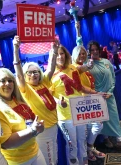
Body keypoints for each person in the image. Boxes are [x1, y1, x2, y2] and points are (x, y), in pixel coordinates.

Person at [12, 35, 59, 165]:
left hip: (54, 125)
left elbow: (51, 67)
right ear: (25, 75)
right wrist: (16, 49)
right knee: (48, 159)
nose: (33, 74)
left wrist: (54, 50)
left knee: (54, 157)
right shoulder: (25, 88)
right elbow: (19, 73)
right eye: (30, 72)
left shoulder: (43, 82)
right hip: (43, 130)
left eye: (36, 72)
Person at [50, 43, 98, 165]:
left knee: (82, 141)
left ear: (66, 55)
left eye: (62, 53)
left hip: (79, 111)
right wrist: (58, 102)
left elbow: (81, 81)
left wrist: (89, 66)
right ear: (52, 56)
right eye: (57, 54)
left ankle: (84, 162)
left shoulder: (72, 67)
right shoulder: (50, 75)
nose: (60, 56)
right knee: (72, 144)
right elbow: (50, 95)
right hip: (65, 116)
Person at [0, 68, 46, 165]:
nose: (7, 83)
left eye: (10, 80)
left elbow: (32, 120)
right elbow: (6, 143)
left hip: (35, 152)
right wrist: (32, 130)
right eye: (2, 81)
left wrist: (38, 126)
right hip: (17, 161)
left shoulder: (19, 101)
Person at [71, 22, 105, 162]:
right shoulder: (74, 67)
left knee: (97, 124)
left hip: (90, 100)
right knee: (86, 130)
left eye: (84, 53)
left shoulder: (85, 67)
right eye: (80, 53)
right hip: (80, 103)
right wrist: (77, 30)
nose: (82, 55)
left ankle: (90, 147)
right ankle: (87, 151)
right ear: (75, 55)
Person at [87, 40, 121, 148]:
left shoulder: (107, 62)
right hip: (97, 97)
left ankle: (119, 138)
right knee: (102, 119)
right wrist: (78, 31)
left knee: (114, 117)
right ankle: (106, 139)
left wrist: (110, 92)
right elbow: (79, 47)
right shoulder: (88, 65)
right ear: (89, 51)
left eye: (96, 49)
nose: (95, 52)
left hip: (109, 96)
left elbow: (113, 78)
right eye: (92, 50)